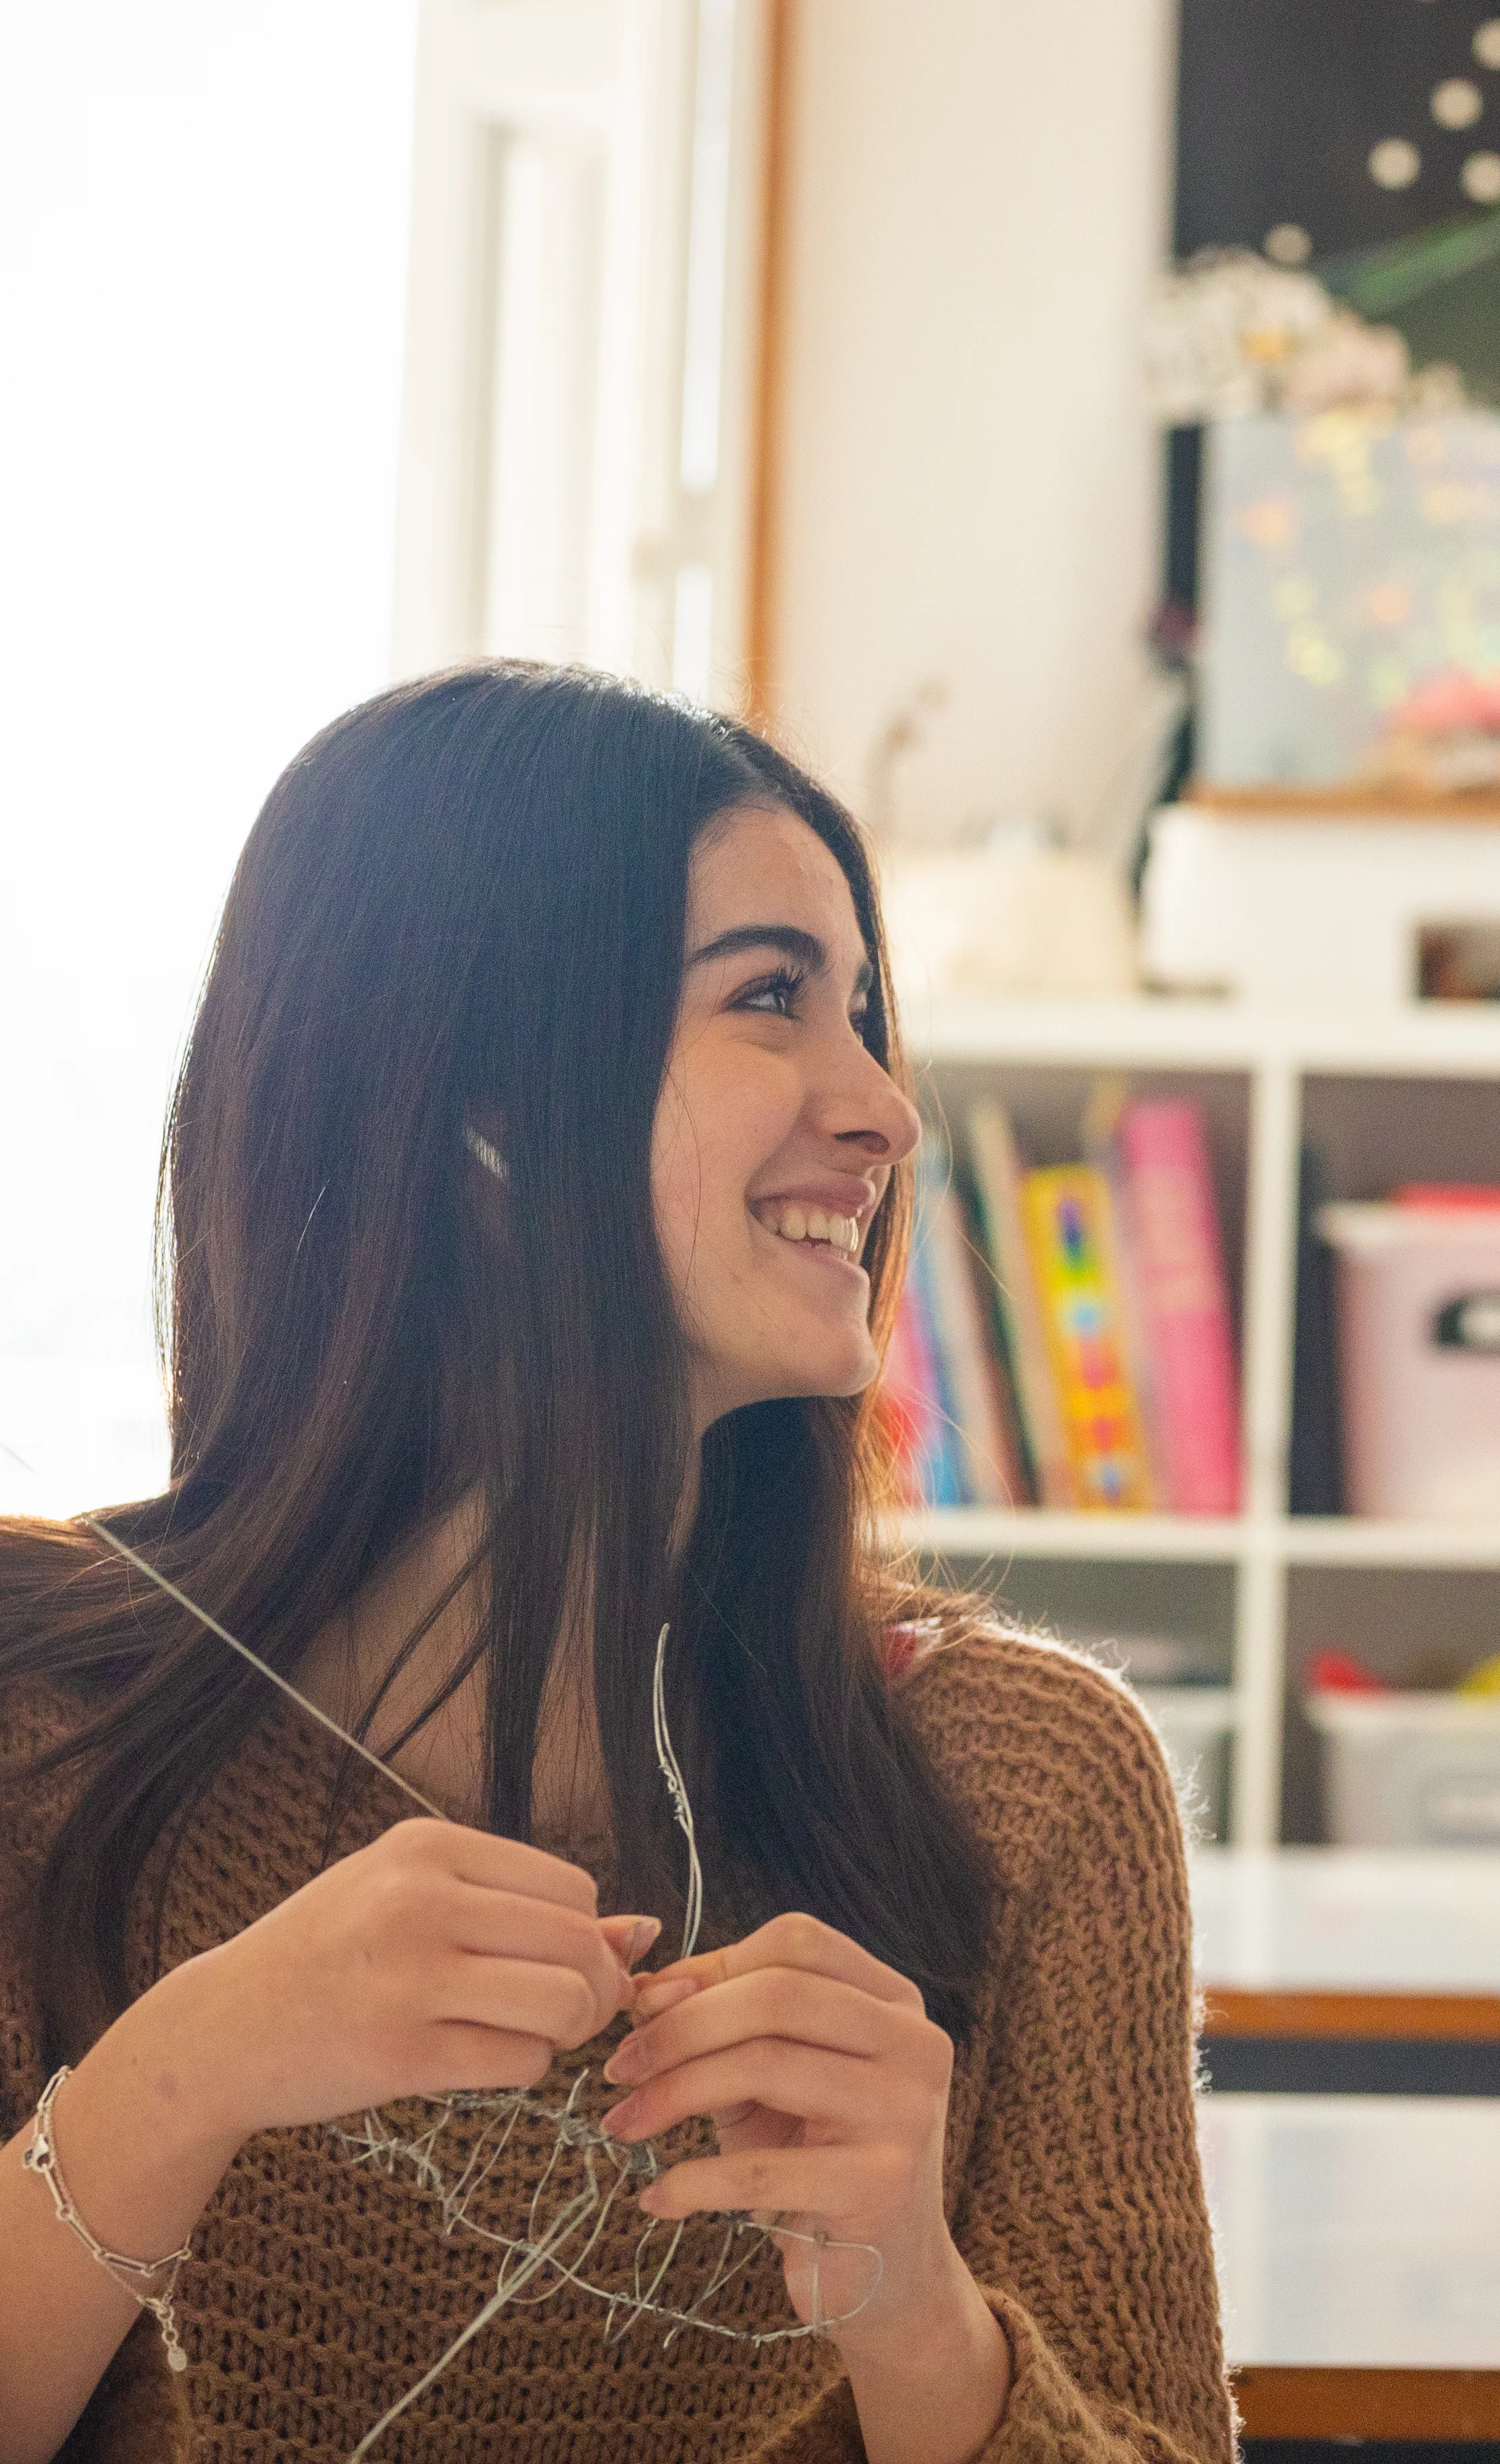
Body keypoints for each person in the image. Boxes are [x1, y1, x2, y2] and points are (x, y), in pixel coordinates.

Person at [0, 664, 1235, 2463]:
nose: (886, 1109)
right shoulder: (37, 1709)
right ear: (478, 1099)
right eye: (769, 1002)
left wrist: (916, 2305)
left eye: (868, 1014)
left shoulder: (1026, 1780)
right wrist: (174, 2081)